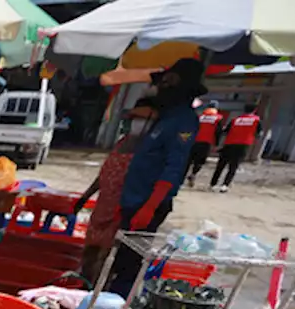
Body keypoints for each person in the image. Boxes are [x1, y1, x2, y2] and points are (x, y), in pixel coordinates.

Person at [107, 58, 204, 296]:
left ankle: (115, 305)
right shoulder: (164, 118)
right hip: (134, 200)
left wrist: (149, 207)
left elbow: (173, 168)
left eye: (167, 83)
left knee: (131, 261)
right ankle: (111, 296)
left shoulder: (184, 121)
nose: (160, 88)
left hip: (148, 203)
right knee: (121, 258)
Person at [73, 99, 158, 284]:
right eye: (135, 119)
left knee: (105, 258)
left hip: (120, 211)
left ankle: (93, 292)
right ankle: (82, 285)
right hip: (102, 209)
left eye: (141, 120)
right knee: (89, 253)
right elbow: (103, 174)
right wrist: (85, 197)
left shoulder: (149, 151)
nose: (136, 124)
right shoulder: (122, 143)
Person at [210, 103, 262, 193]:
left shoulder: (235, 119)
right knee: (233, 166)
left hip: (229, 144)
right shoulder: (256, 120)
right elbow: (259, 134)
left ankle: (213, 184)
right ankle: (225, 185)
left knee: (221, 165)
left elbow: (225, 131)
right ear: (254, 110)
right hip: (242, 145)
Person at [186, 100, 223, 187]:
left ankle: (181, 178)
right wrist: (216, 144)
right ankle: (193, 174)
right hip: (206, 142)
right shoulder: (218, 118)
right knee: (200, 161)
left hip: (194, 141)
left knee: (188, 160)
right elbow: (218, 132)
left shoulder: (200, 117)